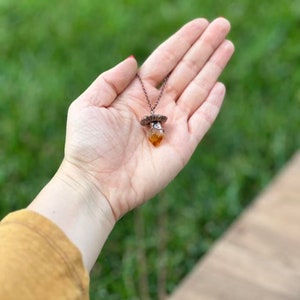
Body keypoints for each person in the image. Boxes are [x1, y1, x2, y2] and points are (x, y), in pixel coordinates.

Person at [0, 17, 234, 299]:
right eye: (154, 126)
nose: (156, 128)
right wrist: (86, 175)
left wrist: (84, 180)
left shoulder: (155, 127)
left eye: (155, 126)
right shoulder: (150, 126)